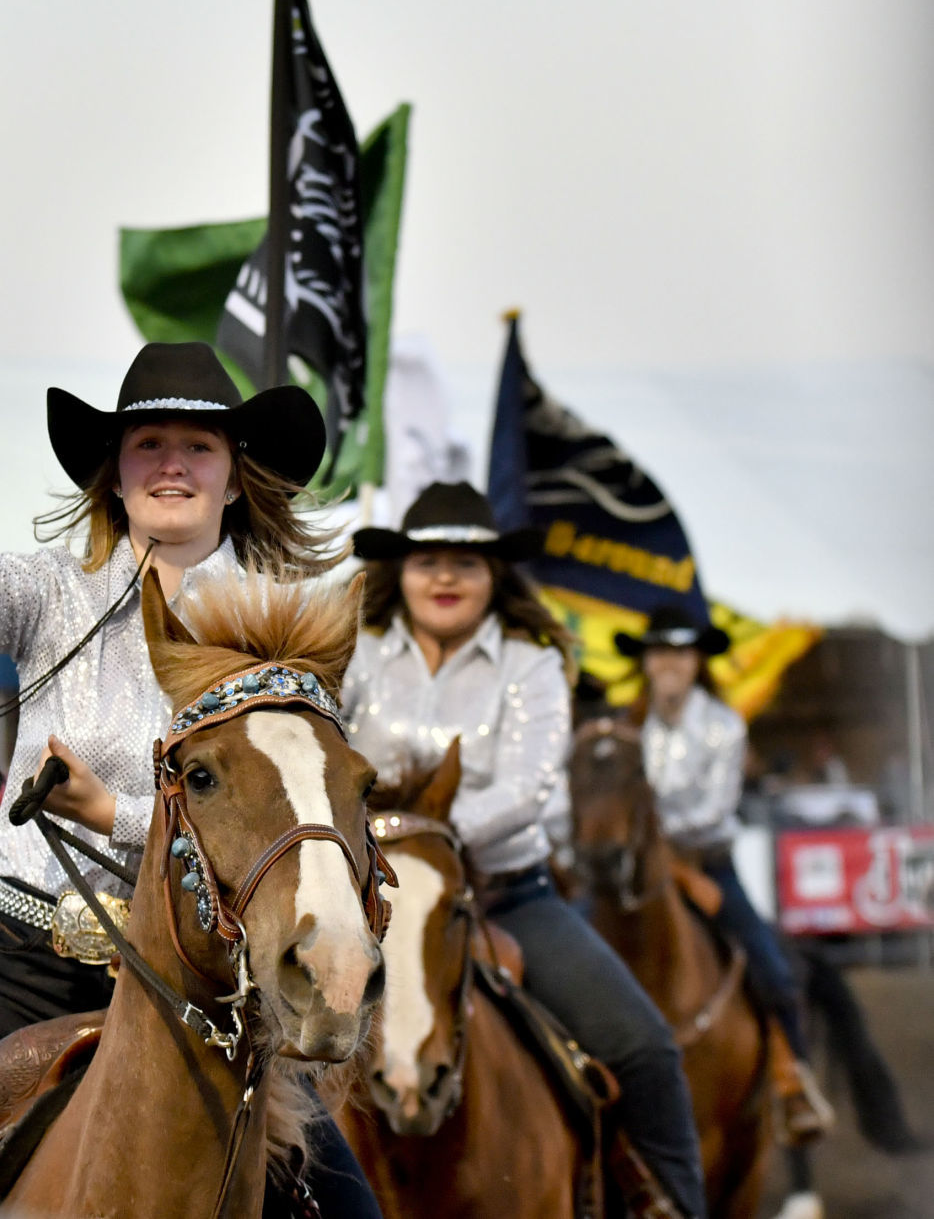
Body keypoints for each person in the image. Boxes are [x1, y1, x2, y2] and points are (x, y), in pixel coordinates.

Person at [0, 341, 379, 1213]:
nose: (172, 462)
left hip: (208, 980)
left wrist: (108, 810)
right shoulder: (49, 592)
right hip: (27, 957)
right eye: (147, 443)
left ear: (233, 474)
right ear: (113, 473)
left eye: (199, 446)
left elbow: (278, 817)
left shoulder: (282, 627)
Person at [342, 482, 707, 1219]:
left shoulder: (531, 661)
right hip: (369, 903)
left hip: (512, 893)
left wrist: (423, 843)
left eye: (467, 563)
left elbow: (529, 786)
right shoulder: (357, 653)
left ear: (496, 576)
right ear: (400, 573)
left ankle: (672, 1203)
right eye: (427, 561)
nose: (446, 576)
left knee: (643, 1047)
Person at [618, 605, 834, 1144]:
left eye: (680, 652)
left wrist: (647, 831)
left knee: (771, 966)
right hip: (635, 870)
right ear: (645, 661)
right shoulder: (624, 727)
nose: (669, 663)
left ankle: (792, 1078)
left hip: (705, 864)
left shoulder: (723, 725)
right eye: (660, 651)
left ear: (697, 662)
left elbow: (712, 815)